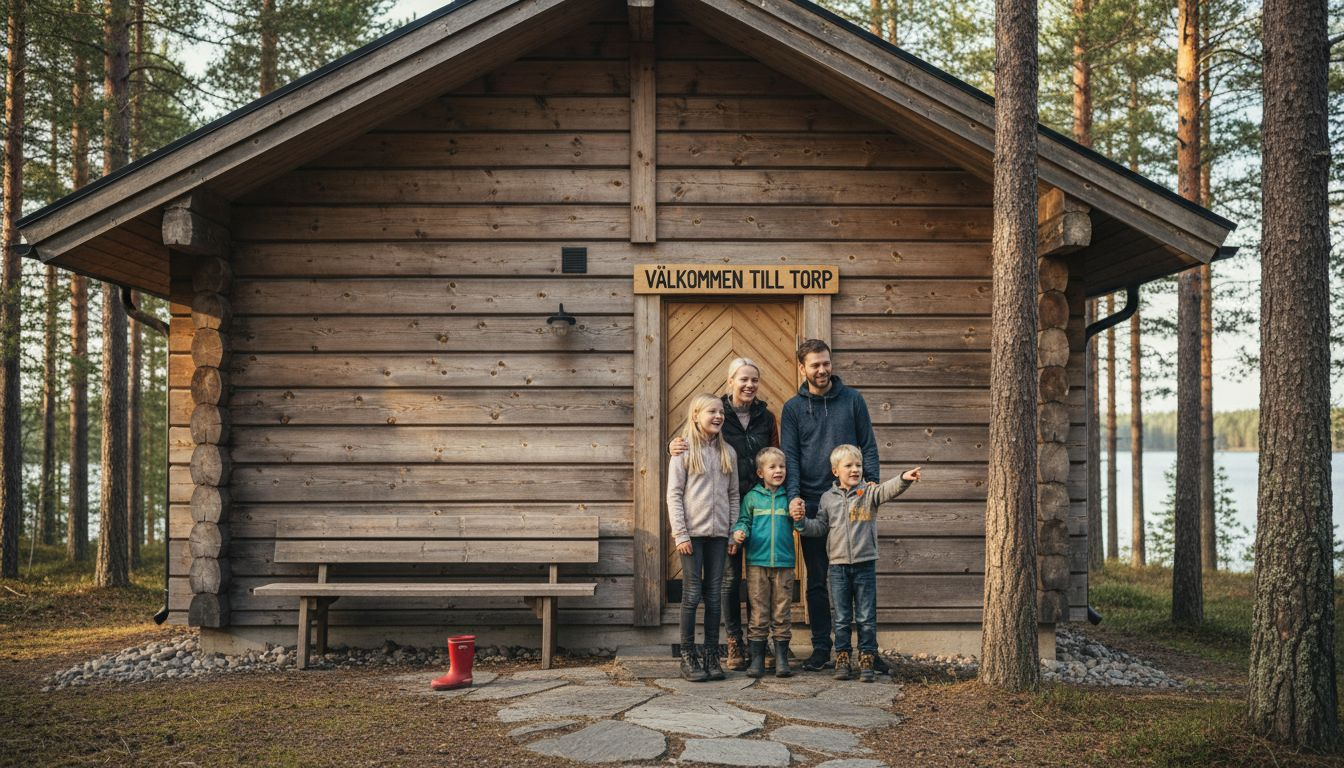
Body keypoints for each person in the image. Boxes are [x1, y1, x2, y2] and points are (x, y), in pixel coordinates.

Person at [780, 338, 883, 672]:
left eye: (826, 363)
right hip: (812, 503)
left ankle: (867, 650)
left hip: (852, 501)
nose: (822, 370)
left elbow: (868, 445)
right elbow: (791, 458)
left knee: (859, 580)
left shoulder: (853, 400)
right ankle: (823, 648)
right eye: (815, 365)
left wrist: (870, 485)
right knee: (818, 581)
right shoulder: (793, 408)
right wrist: (793, 495)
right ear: (802, 368)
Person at [669, 358, 778, 672]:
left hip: (754, 507)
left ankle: (759, 640)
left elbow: (775, 453)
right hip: (706, 522)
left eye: (754, 380)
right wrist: (671, 445)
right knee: (720, 585)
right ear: (730, 381)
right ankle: (732, 642)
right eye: (743, 379)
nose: (749, 385)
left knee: (758, 576)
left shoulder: (765, 418)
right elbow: (677, 483)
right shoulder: (718, 413)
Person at [797, 445, 921, 682]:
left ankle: (867, 657)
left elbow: (887, 490)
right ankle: (842, 657)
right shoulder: (827, 499)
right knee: (842, 617)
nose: (855, 470)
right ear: (835, 471)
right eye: (849, 466)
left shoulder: (869, 493)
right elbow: (821, 527)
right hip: (838, 567)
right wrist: (802, 523)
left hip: (864, 566)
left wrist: (904, 479)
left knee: (865, 616)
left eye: (858, 465)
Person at [667, 393, 740, 682]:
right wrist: (680, 533)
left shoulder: (728, 453)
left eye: (721, 411)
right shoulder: (683, 452)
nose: (718, 416)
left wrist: (733, 530)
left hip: (719, 536)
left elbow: (733, 494)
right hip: (691, 536)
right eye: (711, 411)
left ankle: (711, 654)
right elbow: (673, 495)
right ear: (696, 415)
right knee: (692, 594)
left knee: (713, 595)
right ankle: (688, 655)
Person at [731, 447, 802, 679]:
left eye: (782, 466)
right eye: (772, 467)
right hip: (756, 564)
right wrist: (740, 532)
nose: (778, 470)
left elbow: (800, 526)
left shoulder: (788, 499)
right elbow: (743, 521)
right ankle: (758, 660)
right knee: (759, 612)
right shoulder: (751, 497)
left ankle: (782, 659)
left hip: (784, 564)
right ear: (761, 472)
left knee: (782, 612)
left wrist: (800, 516)